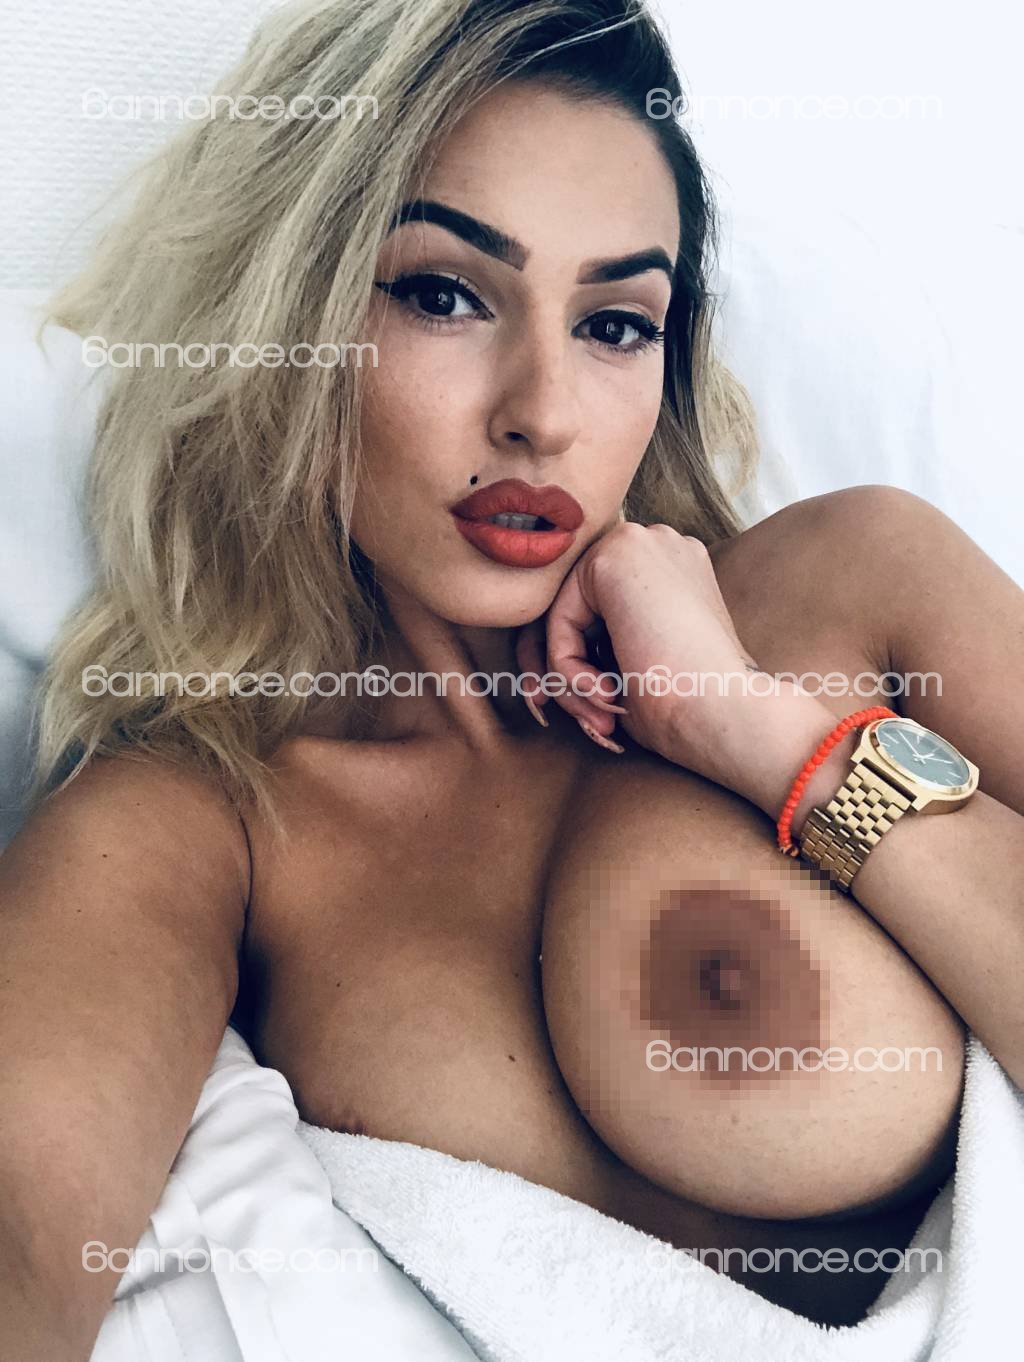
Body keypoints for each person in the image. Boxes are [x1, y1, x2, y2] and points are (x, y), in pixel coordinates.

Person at [2, 0, 1022, 1354]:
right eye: (445, 295)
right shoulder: (205, 821)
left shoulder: (848, 580)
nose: (541, 410)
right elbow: (25, 1233)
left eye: (616, 324)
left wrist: (757, 731)